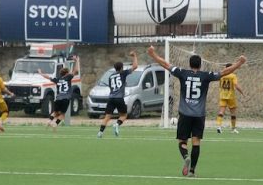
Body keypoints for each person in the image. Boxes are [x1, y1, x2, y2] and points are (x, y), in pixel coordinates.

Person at [147, 45, 246, 178]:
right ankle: (192, 170)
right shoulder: (206, 76)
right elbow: (224, 72)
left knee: (182, 141)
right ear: (200, 65)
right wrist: (239, 63)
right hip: (199, 115)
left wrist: (153, 55)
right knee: (196, 142)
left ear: (190, 64)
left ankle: (186, 156)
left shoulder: (182, 73)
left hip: (185, 114)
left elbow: (166, 64)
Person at [97, 51, 138, 138]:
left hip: (111, 98)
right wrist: (134, 56)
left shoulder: (111, 76)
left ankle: (100, 132)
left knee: (107, 117)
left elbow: (112, 87)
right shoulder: (123, 73)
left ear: (114, 68)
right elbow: (135, 66)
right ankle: (117, 124)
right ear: (122, 68)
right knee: (124, 115)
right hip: (119, 98)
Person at [38, 56, 80, 130]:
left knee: (55, 112)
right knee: (62, 114)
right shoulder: (68, 77)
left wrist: (41, 73)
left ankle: (49, 121)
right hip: (66, 98)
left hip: (58, 98)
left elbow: (48, 77)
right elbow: (76, 71)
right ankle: (55, 124)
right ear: (66, 73)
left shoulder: (57, 79)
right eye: (69, 72)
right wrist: (77, 61)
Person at [216, 64, 244, 134]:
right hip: (231, 96)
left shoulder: (222, 76)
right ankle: (233, 129)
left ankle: (219, 126)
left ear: (226, 68)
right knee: (233, 113)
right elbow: (236, 85)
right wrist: (242, 92)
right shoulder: (233, 76)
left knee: (221, 112)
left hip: (222, 95)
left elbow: (220, 85)